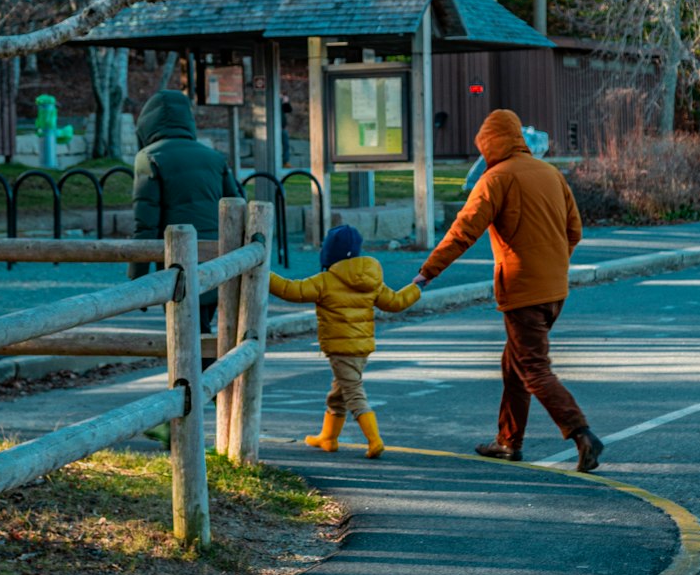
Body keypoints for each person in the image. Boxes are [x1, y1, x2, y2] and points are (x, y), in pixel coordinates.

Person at [414, 108, 604, 472]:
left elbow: (463, 232)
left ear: (488, 144)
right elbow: (574, 230)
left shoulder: (495, 179)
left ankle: (581, 432)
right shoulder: (551, 173)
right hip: (555, 289)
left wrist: (428, 272)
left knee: (533, 368)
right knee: (514, 364)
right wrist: (552, 263)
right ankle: (507, 441)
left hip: (523, 290)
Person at [269, 224, 420, 458]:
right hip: (361, 349)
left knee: (353, 393)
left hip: (340, 349)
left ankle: (374, 440)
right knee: (338, 393)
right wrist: (416, 289)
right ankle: (328, 437)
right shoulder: (371, 280)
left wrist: (263, 274)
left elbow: (291, 290)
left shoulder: (325, 281)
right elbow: (396, 302)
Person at [130, 88, 243, 336]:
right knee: (204, 333)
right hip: (218, 261)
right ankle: (214, 374)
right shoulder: (214, 158)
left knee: (186, 335)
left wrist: (137, 280)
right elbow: (238, 208)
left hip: (177, 265)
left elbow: (145, 224)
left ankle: (198, 375)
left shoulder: (149, 158)